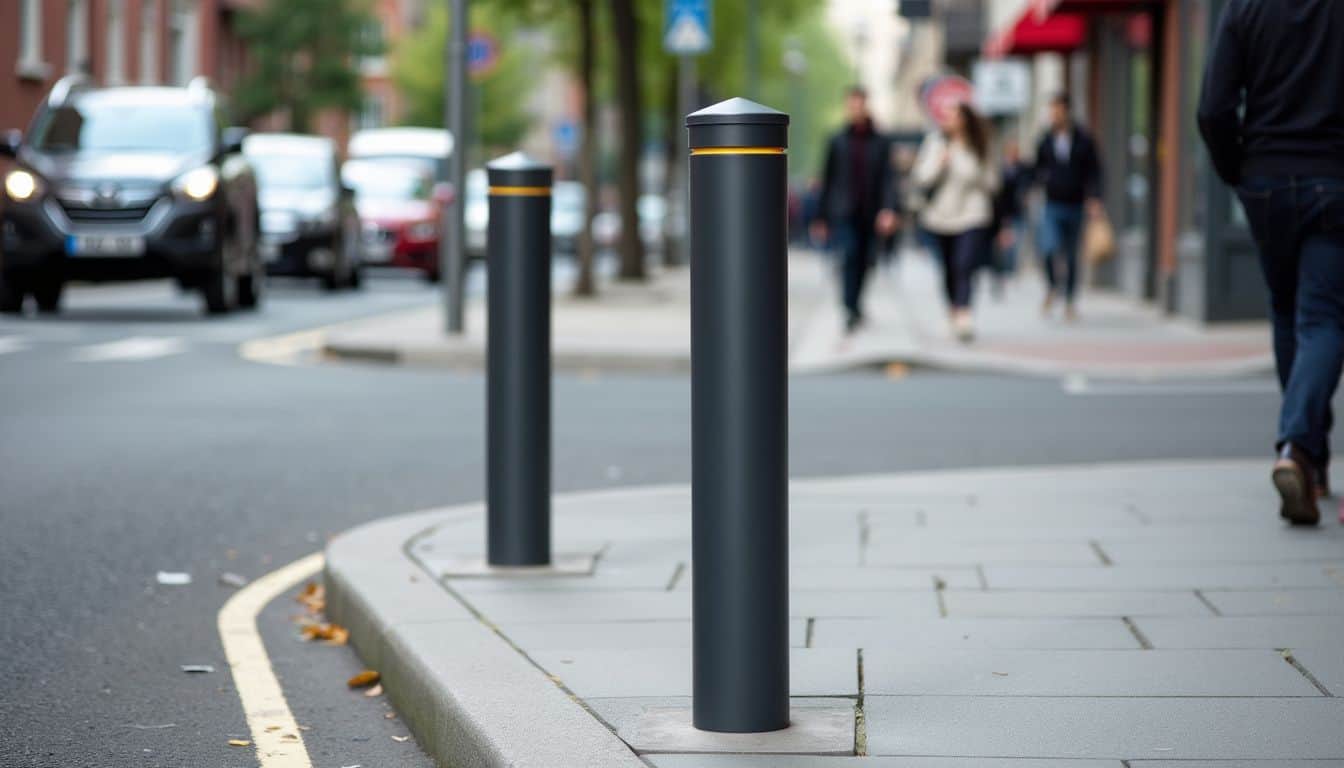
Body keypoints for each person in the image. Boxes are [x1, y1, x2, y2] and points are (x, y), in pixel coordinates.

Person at [1197, 0, 1344, 525]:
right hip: (1333, 176)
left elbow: (1213, 108)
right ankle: (1300, 449)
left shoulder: (1245, 7)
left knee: (1287, 313)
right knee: (1322, 320)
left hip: (1265, 180)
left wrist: (1238, 170)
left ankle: (1308, 459)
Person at [811, 86, 901, 333]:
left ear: (866, 105)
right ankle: (849, 307)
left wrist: (889, 209)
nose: (856, 109)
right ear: (847, 107)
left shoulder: (881, 141)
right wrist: (820, 218)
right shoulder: (837, 140)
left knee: (866, 261)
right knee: (849, 256)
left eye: (859, 104)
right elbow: (827, 179)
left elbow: (888, 178)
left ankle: (857, 303)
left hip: (871, 213)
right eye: (852, 104)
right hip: (843, 211)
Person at [912, 101, 998, 343]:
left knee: (965, 264)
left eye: (952, 115)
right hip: (940, 215)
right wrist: (940, 163)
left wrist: (965, 165)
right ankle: (953, 309)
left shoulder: (979, 145)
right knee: (948, 268)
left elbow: (992, 182)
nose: (947, 120)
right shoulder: (935, 143)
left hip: (973, 213)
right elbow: (921, 177)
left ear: (964, 119)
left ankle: (964, 313)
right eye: (945, 115)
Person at [1034, 93, 1103, 321]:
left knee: (1072, 255)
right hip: (1052, 204)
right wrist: (1040, 182)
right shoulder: (1045, 140)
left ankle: (1070, 301)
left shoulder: (1083, 139)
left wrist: (1094, 198)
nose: (1054, 114)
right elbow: (1037, 168)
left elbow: (1095, 171)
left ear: (1067, 110)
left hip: (1075, 205)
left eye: (1058, 109)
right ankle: (1053, 285)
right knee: (1049, 248)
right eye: (1052, 110)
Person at [992, 139, 1032, 293]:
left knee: (1014, 245)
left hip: (1018, 212)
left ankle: (1011, 272)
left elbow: (1030, 182)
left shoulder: (1023, 169)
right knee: (1003, 247)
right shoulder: (1001, 169)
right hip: (1002, 215)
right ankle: (1002, 273)